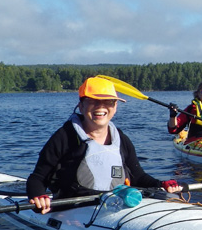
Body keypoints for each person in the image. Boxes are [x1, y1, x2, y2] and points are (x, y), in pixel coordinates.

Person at [27, 77, 181, 214]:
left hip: (113, 208)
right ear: (81, 106)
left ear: (115, 107)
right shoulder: (64, 137)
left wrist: (160, 184)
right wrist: (38, 196)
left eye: (108, 102)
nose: (101, 107)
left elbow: (138, 176)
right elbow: (38, 178)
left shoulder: (121, 138)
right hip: (73, 210)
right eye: (93, 101)